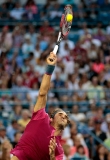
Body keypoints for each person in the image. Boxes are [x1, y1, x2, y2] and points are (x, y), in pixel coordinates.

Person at [10, 52, 70, 160]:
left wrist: (52, 156)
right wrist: (50, 68)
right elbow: (42, 93)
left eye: (65, 117)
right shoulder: (41, 117)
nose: (63, 117)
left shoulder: (59, 150)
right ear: (51, 118)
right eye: (61, 114)